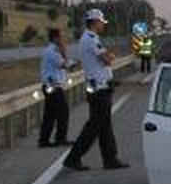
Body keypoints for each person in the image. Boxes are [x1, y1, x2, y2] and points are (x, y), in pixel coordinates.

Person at [64, 9, 129, 171]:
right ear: (95, 22)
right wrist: (110, 56)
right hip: (99, 88)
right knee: (95, 126)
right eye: (101, 22)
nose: (103, 25)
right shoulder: (91, 39)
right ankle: (73, 157)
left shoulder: (90, 38)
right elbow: (106, 59)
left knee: (104, 125)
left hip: (100, 87)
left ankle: (110, 158)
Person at [38, 28, 72, 147]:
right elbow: (64, 65)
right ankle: (60, 139)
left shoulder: (53, 50)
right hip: (53, 86)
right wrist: (65, 52)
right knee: (63, 112)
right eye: (61, 37)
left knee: (50, 115)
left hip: (52, 86)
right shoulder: (52, 51)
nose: (64, 39)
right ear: (55, 38)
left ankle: (44, 140)